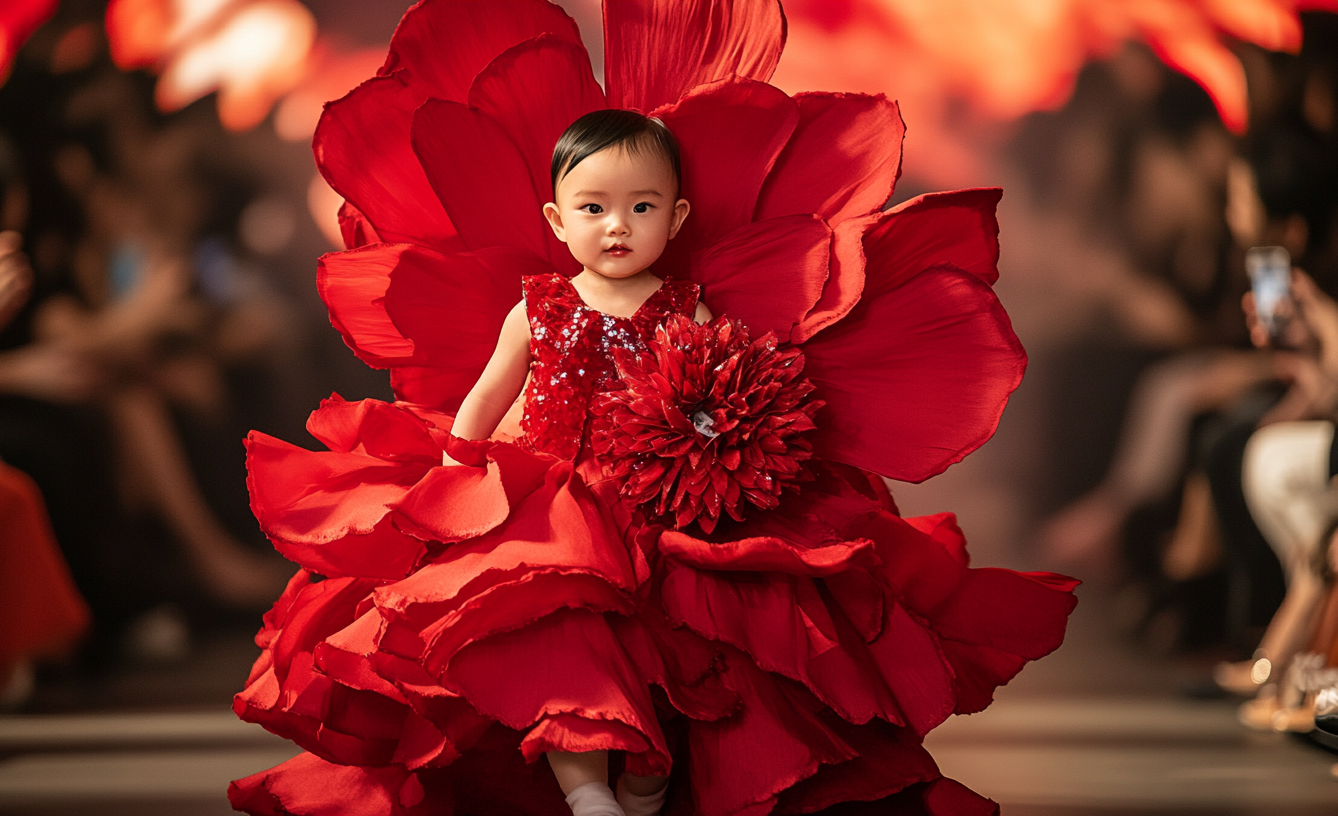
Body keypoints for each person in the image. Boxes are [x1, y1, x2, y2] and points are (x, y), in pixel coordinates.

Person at [228, 3, 1078, 814]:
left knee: (683, 648)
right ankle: (585, 790)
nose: (617, 227)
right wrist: (458, 464)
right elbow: (490, 391)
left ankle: (642, 784)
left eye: (640, 209)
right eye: (595, 209)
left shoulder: (686, 307)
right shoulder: (540, 306)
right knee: (560, 636)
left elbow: (721, 387)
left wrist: (719, 445)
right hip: (552, 493)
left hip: (662, 499)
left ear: (675, 218)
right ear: (559, 222)